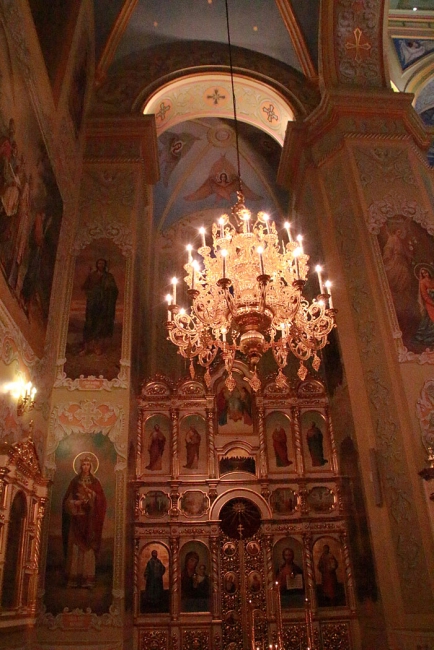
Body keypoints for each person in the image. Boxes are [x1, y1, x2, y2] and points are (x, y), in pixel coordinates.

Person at [62, 456, 107, 589]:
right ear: (80, 466)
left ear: (91, 466)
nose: (86, 467)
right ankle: (74, 578)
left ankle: (88, 578)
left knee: (88, 549)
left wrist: (92, 494)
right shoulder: (75, 481)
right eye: (84, 464)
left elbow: (102, 500)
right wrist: (74, 503)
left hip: (90, 521)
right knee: (76, 548)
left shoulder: (95, 482)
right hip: (77, 519)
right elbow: (66, 500)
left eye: (88, 464)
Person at [79, 258, 119, 356]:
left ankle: (97, 347)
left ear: (105, 265)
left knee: (99, 324)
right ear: (97, 264)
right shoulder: (92, 275)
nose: (101, 265)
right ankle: (86, 347)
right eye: (99, 263)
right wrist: (90, 293)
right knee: (89, 323)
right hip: (92, 303)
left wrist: (108, 290)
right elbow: (85, 287)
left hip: (103, 304)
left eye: (102, 263)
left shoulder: (109, 276)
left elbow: (114, 290)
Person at [412, 266, 434, 348]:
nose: (425, 274)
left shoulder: (432, 280)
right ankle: (427, 338)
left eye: (426, 272)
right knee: (430, 320)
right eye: (423, 273)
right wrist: (432, 303)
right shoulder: (422, 282)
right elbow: (425, 296)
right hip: (429, 303)